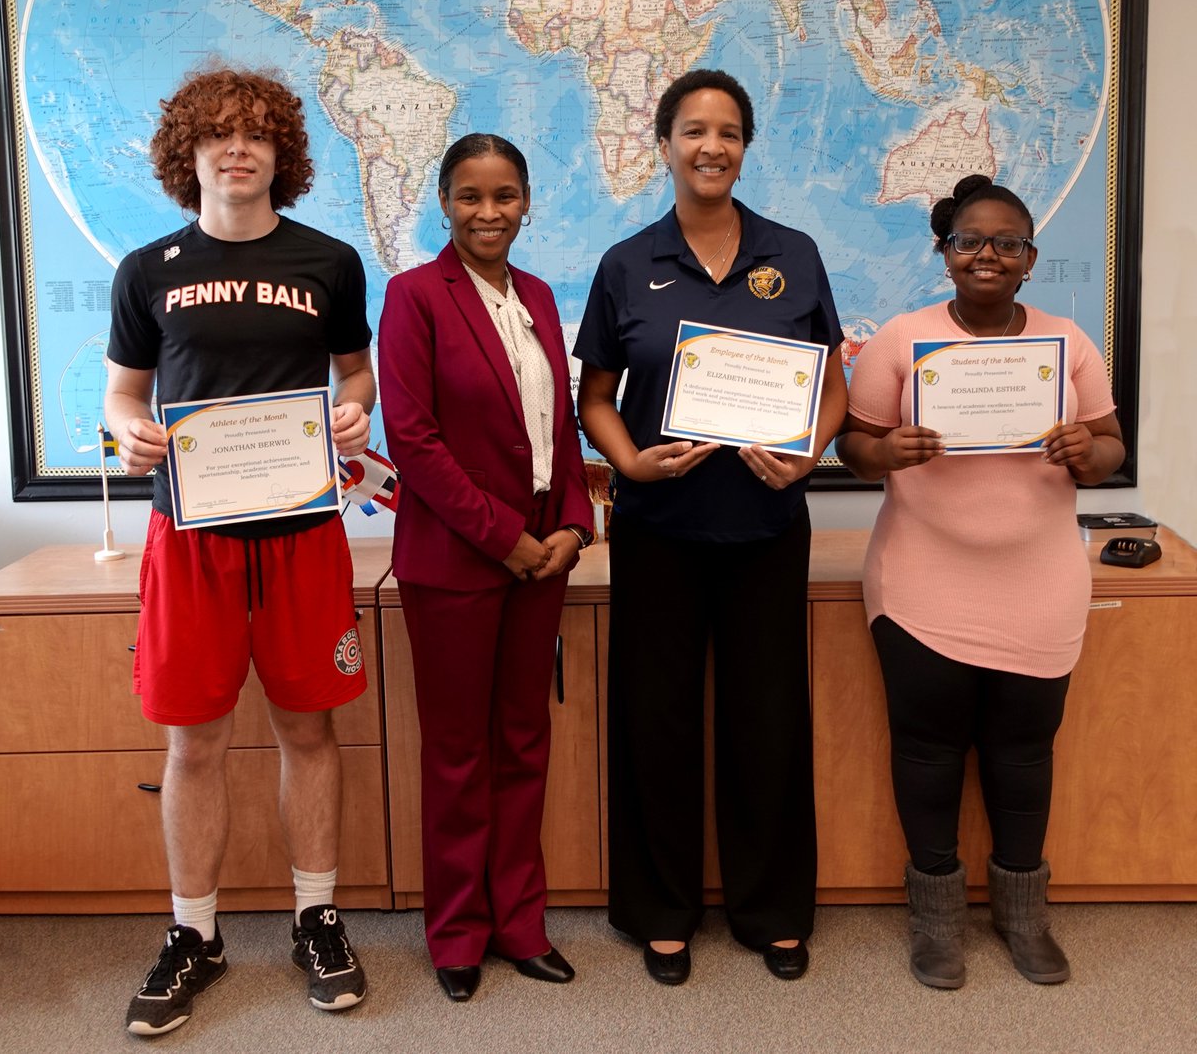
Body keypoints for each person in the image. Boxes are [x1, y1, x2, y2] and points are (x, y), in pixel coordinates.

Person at [105, 67, 375, 1036]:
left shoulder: (331, 262)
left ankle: (318, 918)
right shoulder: (147, 270)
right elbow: (122, 397)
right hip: (191, 540)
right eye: (217, 134)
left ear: (281, 154)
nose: (237, 148)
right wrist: (129, 431)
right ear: (190, 153)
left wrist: (352, 414)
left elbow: (358, 379)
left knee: (310, 731)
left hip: (302, 536)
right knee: (196, 742)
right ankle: (196, 934)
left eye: (257, 133)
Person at [573, 70, 848, 985]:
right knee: (657, 721)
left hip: (767, 522)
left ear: (745, 147)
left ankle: (771, 910)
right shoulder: (627, 263)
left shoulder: (793, 253)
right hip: (658, 522)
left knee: (767, 719)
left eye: (729, 132)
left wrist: (810, 451)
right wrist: (628, 462)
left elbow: (833, 381)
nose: (712, 147)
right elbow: (596, 398)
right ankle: (661, 910)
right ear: (663, 144)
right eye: (694, 130)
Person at [836, 173, 1125, 989]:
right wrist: (887, 452)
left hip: (1040, 584)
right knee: (927, 754)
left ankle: (1022, 917)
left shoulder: (1068, 343)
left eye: (1007, 243)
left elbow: (1111, 450)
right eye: (969, 241)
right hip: (923, 585)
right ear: (945, 252)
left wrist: (1086, 454)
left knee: (1024, 755)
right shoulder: (902, 338)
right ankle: (936, 924)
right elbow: (855, 449)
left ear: (1031, 260)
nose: (987, 255)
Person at [378, 133, 593, 1002]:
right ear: (444, 204)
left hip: (543, 559)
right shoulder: (412, 297)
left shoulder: (538, 295)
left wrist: (575, 523)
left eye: (505, 196)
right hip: (461, 564)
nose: (489, 212)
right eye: (471, 196)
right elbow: (415, 443)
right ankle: (459, 932)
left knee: (523, 745)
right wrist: (506, 537)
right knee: (461, 756)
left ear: (527, 202)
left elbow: (560, 427)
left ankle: (520, 924)